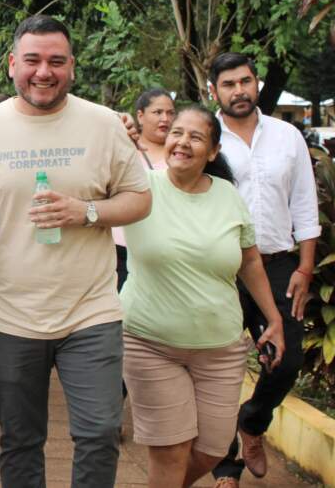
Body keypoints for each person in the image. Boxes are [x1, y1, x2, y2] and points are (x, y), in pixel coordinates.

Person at [0, 14, 152, 488]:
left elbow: (140, 198)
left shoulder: (103, 125)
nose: (44, 72)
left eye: (56, 61)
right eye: (33, 60)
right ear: (12, 64)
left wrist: (86, 212)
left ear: (72, 67)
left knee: (101, 432)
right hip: (9, 314)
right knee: (19, 438)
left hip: (91, 311)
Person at [121, 105, 285, 488]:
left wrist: (273, 318)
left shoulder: (228, 195)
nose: (183, 142)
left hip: (221, 346)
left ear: (212, 152)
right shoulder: (141, 187)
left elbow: (250, 261)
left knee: (213, 450)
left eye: (196, 137)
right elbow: (94, 179)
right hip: (150, 342)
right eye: (177, 132)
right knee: (171, 449)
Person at [208, 53, 320, 487]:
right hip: (219, 269)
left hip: (277, 265)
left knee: (287, 361)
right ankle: (224, 466)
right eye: (229, 84)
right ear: (213, 90)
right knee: (218, 368)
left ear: (256, 84)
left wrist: (305, 268)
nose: (239, 90)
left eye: (246, 81)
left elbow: (305, 204)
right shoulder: (206, 135)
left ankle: (252, 424)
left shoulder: (287, 135)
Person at [113, 89, 175, 290]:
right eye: (157, 112)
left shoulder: (181, 153)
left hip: (167, 250)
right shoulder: (122, 148)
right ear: (140, 116)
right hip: (122, 251)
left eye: (170, 113)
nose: (165, 118)